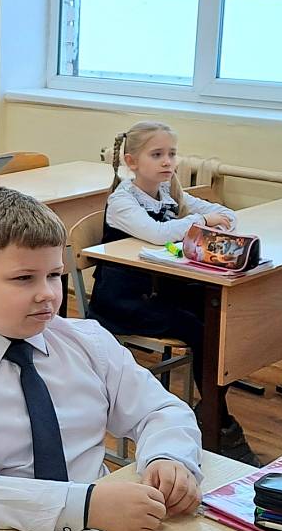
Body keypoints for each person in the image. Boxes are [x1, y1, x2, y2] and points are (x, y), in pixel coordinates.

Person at [0, 186, 205, 531]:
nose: (47, 293)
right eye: (24, 278)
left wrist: (168, 457)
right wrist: (84, 506)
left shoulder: (87, 342)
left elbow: (160, 410)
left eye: (54, 275)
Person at [87, 120, 258, 464]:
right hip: (122, 302)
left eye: (171, 154)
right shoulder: (122, 201)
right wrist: (203, 223)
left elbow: (223, 214)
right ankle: (217, 420)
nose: (167, 161)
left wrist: (215, 218)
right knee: (201, 329)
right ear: (132, 162)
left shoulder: (168, 193)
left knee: (221, 316)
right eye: (157, 155)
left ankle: (210, 410)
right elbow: (157, 233)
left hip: (158, 291)